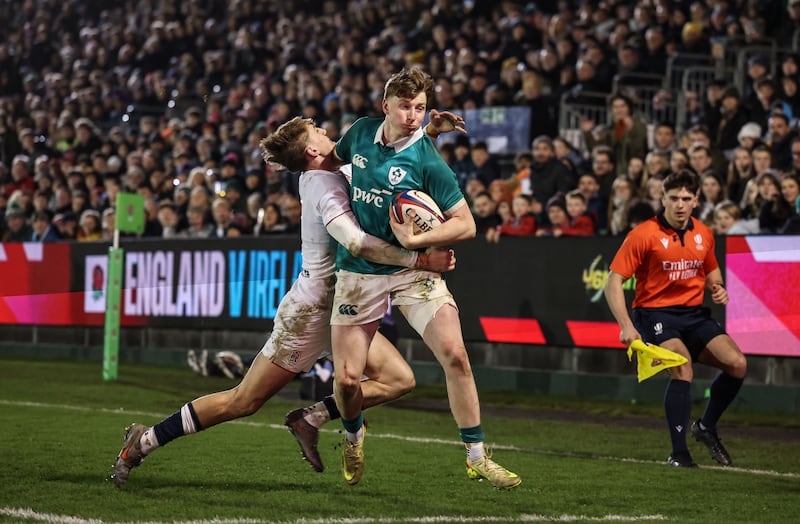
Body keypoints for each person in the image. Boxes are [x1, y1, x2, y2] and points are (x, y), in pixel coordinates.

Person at [111, 117, 456, 488]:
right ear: (311, 150)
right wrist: (420, 260)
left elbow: (384, 165)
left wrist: (429, 134)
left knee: (398, 380)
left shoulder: (338, 167)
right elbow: (355, 242)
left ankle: (311, 418)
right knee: (243, 401)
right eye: (320, 133)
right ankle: (142, 443)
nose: (328, 134)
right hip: (310, 314)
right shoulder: (323, 186)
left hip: (341, 307)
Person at [330, 67, 520, 489]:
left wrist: (421, 238)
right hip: (358, 270)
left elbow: (466, 225)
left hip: (411, 272)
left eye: (420, 108)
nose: (413, 115)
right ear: (386, 106)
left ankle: (476, 455)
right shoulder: (360, 133)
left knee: (455, 353)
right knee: (346, 380)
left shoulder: (428, 158)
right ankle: (352, 433)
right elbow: (330, 160)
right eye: (405, 106)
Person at [604, 170, 747, 468]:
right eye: (673, 198)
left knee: (737, 364)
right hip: (655, 313)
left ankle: (706, 427)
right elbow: (613, 281)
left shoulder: (704, 233)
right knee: (682, 366)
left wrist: (717, 288)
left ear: (696, 200)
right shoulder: (644, 234)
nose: (680, 204)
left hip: (693, 314)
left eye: (686, 198)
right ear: (662, 198)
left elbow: (712, 272)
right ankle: (679, 452)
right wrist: (626, 326)